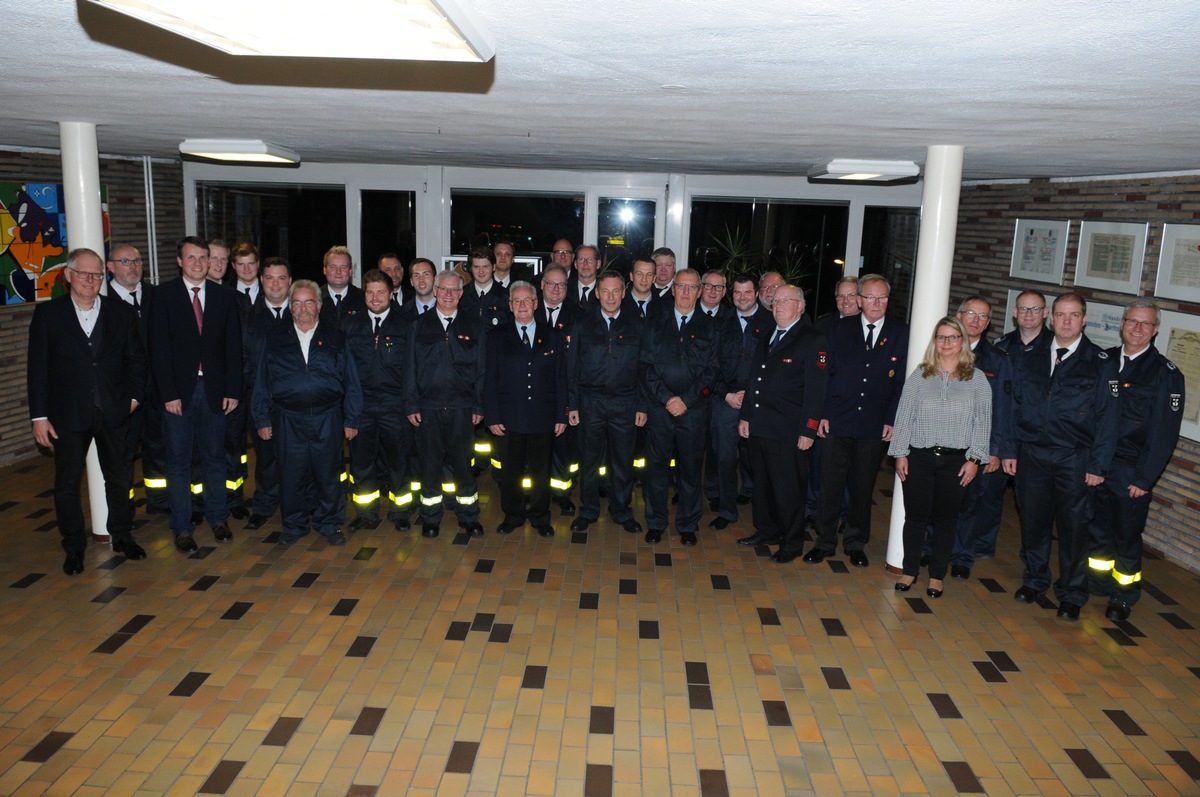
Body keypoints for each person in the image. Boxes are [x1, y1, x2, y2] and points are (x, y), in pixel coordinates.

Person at [27, 248, 147, 574]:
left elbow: (137, 360)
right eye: (83, 274)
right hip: (67, 415)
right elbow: (37, 370)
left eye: (96, 274)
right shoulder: (49, 316)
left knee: (120, 479)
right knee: (66, 483)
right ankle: (74, 546)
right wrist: (39, 417)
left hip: (113, 411)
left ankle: (122, 535)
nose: (90, 280)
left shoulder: (120, 313)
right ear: (68, 276)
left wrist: (134, 398)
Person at [1002, 292, 1119, 621]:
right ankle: (1035, 580)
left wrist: (1099, 465)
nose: (1066, 321)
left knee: (1073, 529)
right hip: (1032, 454)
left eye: (1074, 315)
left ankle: (1071, 593)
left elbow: (1109, 421)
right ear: (1051, 318)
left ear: (1084, 319)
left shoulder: (1100, 362)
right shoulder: (1029, 355)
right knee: (1034, 523)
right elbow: (1013, 407)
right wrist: (1010, 449)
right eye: (1061, 315)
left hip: (1075, 458)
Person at [1088, 299, 1184, 621]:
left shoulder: (1165, 374)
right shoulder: (1103, 361)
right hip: (1096, 464)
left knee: (1126, 535)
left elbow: (1163, 434)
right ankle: (1098, 581)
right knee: (1097, 528)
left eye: (1146, 324)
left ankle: (1123, 595)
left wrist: (1144, 478)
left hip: (1130, 470)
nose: (1138, 328)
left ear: (1155, 330)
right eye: (1132, 321)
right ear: (1122, 323)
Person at [149, 236, 243, 553]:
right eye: (192, 257)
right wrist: (168, 393)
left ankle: (218, 519)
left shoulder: (224, 297)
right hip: (179, 395)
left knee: (216, 459)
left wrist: (233, 389)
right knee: (178, 463)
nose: (199, 263)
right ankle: (182, 527)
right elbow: (158, 350)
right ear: (179, 261)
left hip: (216, 391)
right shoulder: (162, 296)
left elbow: (233, 347)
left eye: (204, 257)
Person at [809, 274, 909, 568]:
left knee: (863, 488)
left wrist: (892, 419)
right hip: (837, 420)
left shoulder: (901, 333)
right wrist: (823, 414)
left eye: (883, 298)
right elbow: (824, 377)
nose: (876, 304)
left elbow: (901, 383)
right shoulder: (838, 330)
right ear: (860, 300)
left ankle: (855, 543)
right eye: (870, 298)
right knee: (829, 485)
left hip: (874, 425)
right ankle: (825, 542)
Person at [252, 281, 362, 546]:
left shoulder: (336, 337)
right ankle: (294, 524)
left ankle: (329, 523)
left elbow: (351, 381)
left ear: (319, 306)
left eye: (309, 302)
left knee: (328, 474)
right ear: (290, 308)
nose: (303, 308)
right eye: (297, 303)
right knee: (291, 474)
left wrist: (352, 418)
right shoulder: (275, 338)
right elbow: (262, 381)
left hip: (327, 418)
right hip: (288, 419)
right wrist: (262, 418)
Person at [889, 317, 992, 597]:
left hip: (957, 462)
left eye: (953, 337)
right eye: (941, 337)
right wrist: (900, 453)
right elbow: (904, 415)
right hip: (919, 457)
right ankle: (909, 571)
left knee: (946, 520)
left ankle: (937, 575)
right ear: (935, 341)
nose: (947, 343)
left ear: (963, 341)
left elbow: (983, 422)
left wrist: (974, 459)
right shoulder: (920, 375)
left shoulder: (977, 379)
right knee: (915, 518)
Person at [736, 285, 828, 562]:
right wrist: (746, 415)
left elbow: (816, 391)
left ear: (800, 306)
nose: (778, 306)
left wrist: (808, 430)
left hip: (789, 431)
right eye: (775, 301)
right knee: (762, 484)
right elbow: (755, 379)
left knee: (788, 488)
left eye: (785, 301)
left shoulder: (813, 339)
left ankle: (792, 542)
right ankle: (766, 530)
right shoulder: (768, 334)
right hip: (761, 425)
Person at [404, 271, 487, 537]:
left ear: (461, 294)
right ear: (436, 291)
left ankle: (468, 516)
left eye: (454, 290)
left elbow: (482, 371)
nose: (449, 294)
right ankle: (430, 518)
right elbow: (410, 369)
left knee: (463, 465)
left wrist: (478, 405)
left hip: (462, 409)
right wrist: (411, 404)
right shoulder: (418, 326)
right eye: (444, 289)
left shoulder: (474, 325)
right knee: (429, 466)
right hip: (428, 408)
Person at [639, 268, 718, 545]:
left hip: (693, 411)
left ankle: (687, 524)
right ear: (672, 290)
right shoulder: (655, 322)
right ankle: (656, 522)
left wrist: (686, 399)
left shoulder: (709, 326)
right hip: (661, 410)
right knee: (656, 469)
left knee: (690, 469)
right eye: (680, 286)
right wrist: (666, 398)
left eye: (691, 287)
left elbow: (712, 371)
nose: (685, 292)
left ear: (699, 292)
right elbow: (645, 366)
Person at [485, 282, 568, 537]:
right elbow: (489, 379)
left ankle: (540, 517)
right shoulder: (496, 336)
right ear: (510, 306)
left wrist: (561, 414)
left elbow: (560, 378)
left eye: (527, 300)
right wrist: (492, 415)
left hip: (542, 417)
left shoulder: (552, 335)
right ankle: (513, 515)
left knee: (541, 471)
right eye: (516, 301)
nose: (522, 305)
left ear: (535, 303)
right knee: (510, 471)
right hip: (509, 418)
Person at [568, 271, 647, 534]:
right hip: (591, 402)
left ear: (624, 293)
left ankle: (621, 510)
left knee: (622, 461)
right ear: (597, 293)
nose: (611, 297)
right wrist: (573, 404)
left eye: (616, 291)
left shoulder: (637, 323)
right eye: (606, 291)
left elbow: (645, 368)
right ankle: (588, 511)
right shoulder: (582, 323)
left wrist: (642, 405)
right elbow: (572, 367)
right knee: (589, 460)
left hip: (626, 403)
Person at [344, 269, 414, 532]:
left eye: (381, 292)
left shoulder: (406, 324)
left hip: (395, 405)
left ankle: (401, 512)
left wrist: (410, 405)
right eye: (370, 292)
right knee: (362, 463)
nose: (375, 298)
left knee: (400, 462)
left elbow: (412, 370)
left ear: (391, 293)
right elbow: (345, 371)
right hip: (361, 406)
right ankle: (366, 513)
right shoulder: (350, 325)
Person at [948, 296, 1010, 579]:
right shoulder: (940, 349)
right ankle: (931, 548)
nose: (975, 319)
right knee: (938, 499)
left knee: (971, 503)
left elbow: (1003, 409)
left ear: (987, 324)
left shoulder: (998, 360)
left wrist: (994, 451)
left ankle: (962, 557)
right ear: (958, 315)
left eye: (982, 316)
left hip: (976, 445)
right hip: (941, 440)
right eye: (970, 313)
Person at [105, 243, 169, 517]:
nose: (133, 266)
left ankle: (160, 503)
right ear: (110, 267)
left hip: (157, 393)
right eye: (125, 261)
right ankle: (124, 510)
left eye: (137, 261)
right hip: (123, 396)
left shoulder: (157, 296)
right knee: (123, 455)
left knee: (159, 449)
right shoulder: (102, 300)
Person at [242, 256, 293, 530]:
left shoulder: (301, 313)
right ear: (262, 281)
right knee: (266, 458)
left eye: (281, 278)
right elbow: (243, 359)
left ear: (290, 282)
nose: (276, 284)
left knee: (297, 456)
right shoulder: (249, 318)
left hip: (296, 402)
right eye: (270, 278)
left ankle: (297, 505)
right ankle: (263, 506)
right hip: (262, 400)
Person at [807, 276, 859, 529]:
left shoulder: (868, 328)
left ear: (860, 299)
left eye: (851, 296)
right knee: (818, 464)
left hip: (852, 410)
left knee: (848, 469)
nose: (846, 301)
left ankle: (844, 514)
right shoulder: (822, 325)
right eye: (841, 296)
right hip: (824, 406)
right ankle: (813, 509)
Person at [537, 263, 584, 514]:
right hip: (534, 394)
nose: (556, 289)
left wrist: (573, 402)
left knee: (564, 449)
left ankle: (562, 492)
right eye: (551, 284)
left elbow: (580, 363)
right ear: (542, 285)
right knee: (536, 448)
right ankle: (534, 493)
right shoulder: (528, 311)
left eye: (562, 285)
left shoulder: (579, 316)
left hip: (565, 393)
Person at [319, 245, 366, 327]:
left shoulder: (363, 299)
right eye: (333, 267)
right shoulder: (315, 298)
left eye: (343, 267)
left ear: (350, 271)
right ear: (325, 270)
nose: (338, 272)